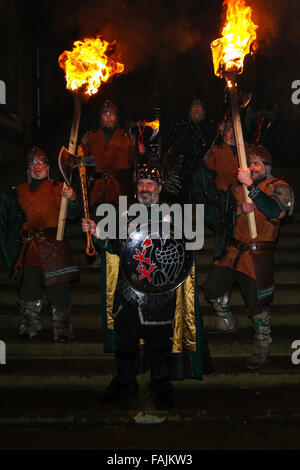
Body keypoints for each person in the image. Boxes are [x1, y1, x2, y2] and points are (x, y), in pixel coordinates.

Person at [82, 164, 213, 410]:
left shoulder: (173, 215)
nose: (145, 189)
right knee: (125, 341)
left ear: (159, 189)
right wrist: (96, 231)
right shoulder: (124, 215)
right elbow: (113, 246)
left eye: (150, 185)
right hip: (129, 289)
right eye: (141, 184)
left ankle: (160, 385)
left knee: (159, 343)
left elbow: (183, 250)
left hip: (160, 292)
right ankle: (124, 383)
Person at [202, 145, 294, 369]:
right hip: (234, 249)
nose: (252, 167)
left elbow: (276, 211)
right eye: (250, 163)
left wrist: (252, 188)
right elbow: (224, 219)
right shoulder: (239, 187)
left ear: (267, 167)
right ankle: (226, 321)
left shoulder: (279, 186)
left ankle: (263, 346)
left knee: (256, 304)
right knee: (212, 289)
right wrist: (238, 211)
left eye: (257, 164)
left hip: (256, 254)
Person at [0, 146, 81, 342]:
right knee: (28, 289)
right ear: (28, 169)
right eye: (32, 164)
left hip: (54, 245)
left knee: (59, 290)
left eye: (41, 163)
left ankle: (62, 328)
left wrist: (72, 199)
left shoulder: (59, 188)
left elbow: (74, 213)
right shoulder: (19, 191)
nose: (37, 167)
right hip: (29, 247)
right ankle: (30, 325)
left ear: (48, 167)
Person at [80, 99, 135, 208]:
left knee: (120, 221)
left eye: (112, 114)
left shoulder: (128, 138)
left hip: (120, 190)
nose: (109, 117)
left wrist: (140, 152)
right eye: (105, 113)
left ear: (116, 117)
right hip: (96, 190)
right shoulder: (90, 137)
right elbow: (82, 161)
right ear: (101, 118)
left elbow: (132, 161)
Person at [162, 99, 218, 203]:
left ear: (204, 110)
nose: (196, 108)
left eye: (199, 106)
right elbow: (171, 149)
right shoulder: (180, 126)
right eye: (194, 106)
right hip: (180, 175)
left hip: (202, 176)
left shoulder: (211, 128)